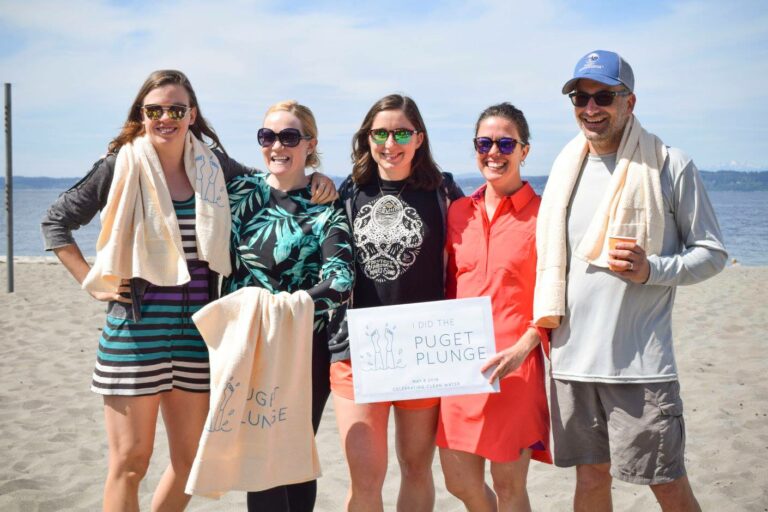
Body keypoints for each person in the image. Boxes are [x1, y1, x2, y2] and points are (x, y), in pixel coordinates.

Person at [40, 70, 336, 512]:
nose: (165, 118)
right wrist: (93, 282)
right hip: (135, 334)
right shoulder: (120, 165)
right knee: (130, 463)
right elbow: (55, 222)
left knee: (190, 462)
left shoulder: (212, 166)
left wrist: (317, 179)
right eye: (154, 109)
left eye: (175, 109)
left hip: (196, 337)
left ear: (191, 114)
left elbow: (272, 179)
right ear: (141, 116)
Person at [534, 50, 727, 512]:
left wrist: (652, 270)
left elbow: (713, 254)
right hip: (571, 363)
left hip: (639, 368)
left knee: (667, 483)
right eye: (580, 97)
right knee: (590, 481)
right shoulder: (566, 168)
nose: (591, 108)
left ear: (630, 101)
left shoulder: (668, 163)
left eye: (604, 96)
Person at [328, 94, 464, 512]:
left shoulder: (443, 191)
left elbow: (476, 250)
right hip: (357, 348)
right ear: (367, 138)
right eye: (381, 133)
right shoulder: (348, 191)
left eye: (402, 132)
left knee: (416, 467)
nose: (391, 142)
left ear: (419, 138)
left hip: (422, 349)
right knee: (365, 478)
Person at [220, 100, 354, 511]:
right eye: (268, 136)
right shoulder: (240, 190)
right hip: (247, 343)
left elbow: (341, 279)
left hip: (302, 347)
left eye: (289, 136)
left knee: (293, 453)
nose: (277, 145)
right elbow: (187, 150)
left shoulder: (325, 204)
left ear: (310, 143)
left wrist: (282, 308)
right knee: (257, 454)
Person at [437, 103, 551, 512]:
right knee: (459, 482)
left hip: (515, 371)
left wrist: (523, 348)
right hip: (460, 371)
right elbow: (449, 288)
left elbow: (558, 298)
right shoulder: (458, 211)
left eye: (506, 143)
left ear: (525, 150)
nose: (494, 152)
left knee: (509, 486)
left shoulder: (545, 215)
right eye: (484, 143)